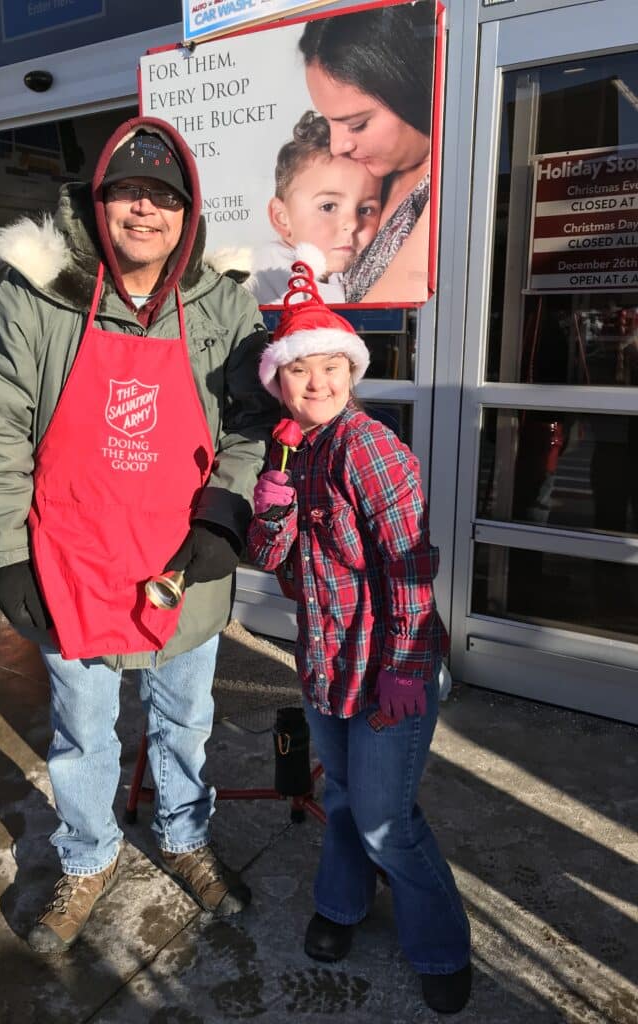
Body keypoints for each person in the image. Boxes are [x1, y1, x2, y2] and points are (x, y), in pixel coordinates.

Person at [0, 116, 279, 953]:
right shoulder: (34, 298)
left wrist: (225, 515)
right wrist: (3, 556)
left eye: (163, 196)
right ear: (97, 203)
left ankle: (184, 837)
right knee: (84, 730)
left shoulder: (222, 300)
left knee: (183, 721)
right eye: (129, 192)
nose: (145, 210)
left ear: (187, 211)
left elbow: (253, 420)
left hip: (184, 561)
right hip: (71, 558)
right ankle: (89, 857)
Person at [246, 257, 472, 1014]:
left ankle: (440, 944)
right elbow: (269, 557)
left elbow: (411, 562)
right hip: (325, 668)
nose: (317, 383)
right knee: (342, 796)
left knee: (385, 818)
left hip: (387, 672)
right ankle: (342, 906)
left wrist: (408, 664)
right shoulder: (295, 453)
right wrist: (272, 497)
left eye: (331, 367)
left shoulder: (365, 448)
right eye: (300, 371)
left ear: (352, 370)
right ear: (279, 382)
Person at [299, 1, 436, 303]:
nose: (338, 146)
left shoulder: (446, 188)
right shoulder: (369, 173)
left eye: (357, 125)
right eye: (329, 121)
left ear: (410, 93)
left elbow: (380, 311)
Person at [245, 110, 382, 304]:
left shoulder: (340, 270)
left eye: (365, 210)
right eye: (328, 207)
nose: (352, 223)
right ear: (282, 218)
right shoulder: (274, 270)